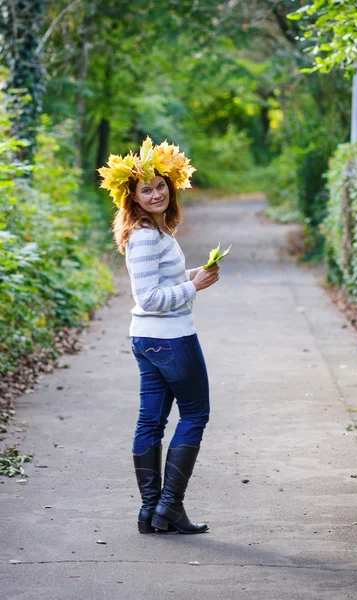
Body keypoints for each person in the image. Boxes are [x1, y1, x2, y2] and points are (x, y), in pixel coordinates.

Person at [98, 137, 219, 534]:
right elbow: (149, 296)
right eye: (145, 189)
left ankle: (151, 512)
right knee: (195, 414)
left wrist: (192, 276)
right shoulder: (148, 235)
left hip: (148, 339)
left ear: (171, 186)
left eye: (160, 185)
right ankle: (169, 506)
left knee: (151, 422)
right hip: (170, 340)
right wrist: (194, 288)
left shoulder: (152, 231)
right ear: (132, 197)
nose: (156, 193)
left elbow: (159, 282)